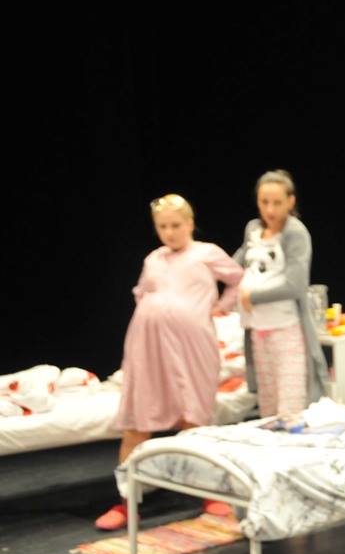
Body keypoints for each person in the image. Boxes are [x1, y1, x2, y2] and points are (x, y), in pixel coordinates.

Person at [96, 194, 244, 530]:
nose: (170, 232)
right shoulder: (153, 259)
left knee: (195, 420)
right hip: (150, 350)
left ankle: (210, 493)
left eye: (176, 225)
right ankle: (126, 502)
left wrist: (221, 306)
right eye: (163, 226)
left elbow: (238, 278)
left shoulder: (206, 253)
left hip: (193, 348)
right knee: (137, 423)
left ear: (190, 223)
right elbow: (142, 292)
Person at [234, 170, 328, 424]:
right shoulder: (253, 229)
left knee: (289, 409)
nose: (270, 209)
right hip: (258, 330)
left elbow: (295, 285)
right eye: (264, 202)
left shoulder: (295, 233)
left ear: (290, 201)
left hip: (286, 330)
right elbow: (237, 263)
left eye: (277, 202)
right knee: (268, 410)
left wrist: (253, 296)